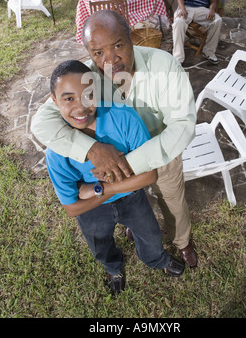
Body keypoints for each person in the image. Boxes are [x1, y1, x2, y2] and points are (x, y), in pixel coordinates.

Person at [31, 10, 198, 269]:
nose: (110, 60)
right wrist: (93, 149)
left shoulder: (164, 66)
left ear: (131, 37)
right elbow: (41, 122)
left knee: (172, 201)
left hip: (160, 151)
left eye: (118, 45)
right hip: (112, 160)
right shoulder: (84, 78)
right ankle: (136, 226)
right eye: (98, 52)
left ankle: (182, 241)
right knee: (134, 202)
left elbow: (182, 126)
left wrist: (130, 164)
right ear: (88, 52)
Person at [46, 59, 185, 294]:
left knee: (150, 235)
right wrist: (118, 183)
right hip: (93, 210)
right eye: (68, 98)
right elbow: (72, 208)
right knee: (100, 244)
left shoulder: (122, 117)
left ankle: (156, 260)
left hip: (131, 198)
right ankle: (114, 268)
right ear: (54, 100)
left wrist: (98, 188)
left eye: (88, 95)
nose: (80, 108)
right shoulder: (56, 150)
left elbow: (149, 175)